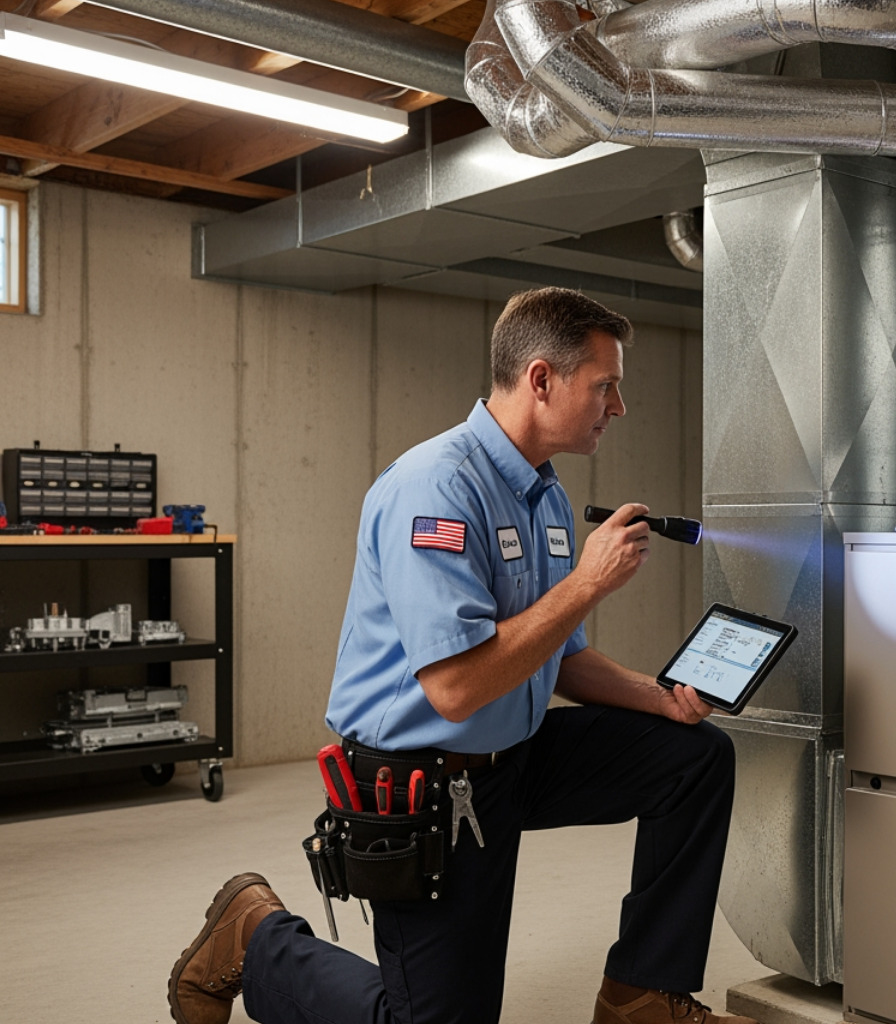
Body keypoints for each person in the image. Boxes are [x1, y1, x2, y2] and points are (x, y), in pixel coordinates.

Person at [167, 287, 758, 1024]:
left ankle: (643, 993)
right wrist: (586, 583)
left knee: (695, 756)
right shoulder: (437, 489)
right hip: (423, 785)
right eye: (605, 385)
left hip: (515, 757)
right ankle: (254, 938)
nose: (619, 405)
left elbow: (558, 658)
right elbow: (454, 686)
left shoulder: (541, 494)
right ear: (541, 380)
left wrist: (661, 696)